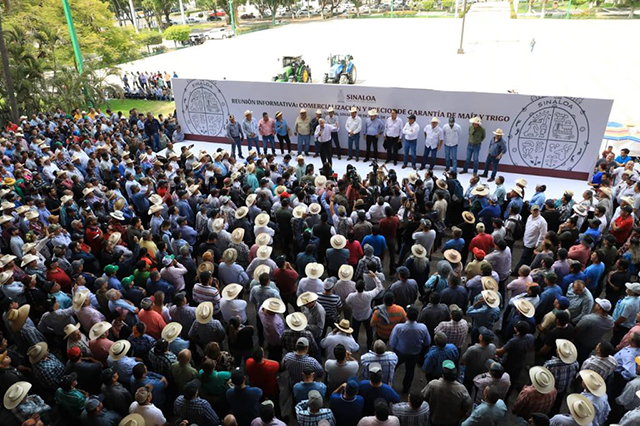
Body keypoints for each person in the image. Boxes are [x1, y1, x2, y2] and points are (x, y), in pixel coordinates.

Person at [389, 306, 430, 393]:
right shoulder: (423, 327)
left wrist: (395, 349)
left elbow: (392, 342)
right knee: (410, 371)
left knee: (392, 368)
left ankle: (389, 383)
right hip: (414, 353)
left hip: (400, 352)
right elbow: (427, 342)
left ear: (406, 316)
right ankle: (406, 388)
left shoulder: (399, 327)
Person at [421, 360, 472, 426]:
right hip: (452, 421)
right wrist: (460, 415)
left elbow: (423, 397)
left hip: (434, 419)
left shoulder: (433, 385)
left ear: (442, 374)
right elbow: (467, 405)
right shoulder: (462, 389)